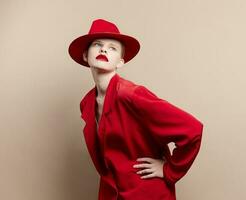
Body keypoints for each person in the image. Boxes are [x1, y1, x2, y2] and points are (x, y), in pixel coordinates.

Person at [68, 19, 204, 200]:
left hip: (146, 193)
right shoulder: (87, 103)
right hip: (112, 193)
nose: (103, 50)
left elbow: (193, 129)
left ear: (120, 62)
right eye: (97, 44)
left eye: (112, 48)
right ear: (85, 55)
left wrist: (168, 169)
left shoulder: (131, 94)